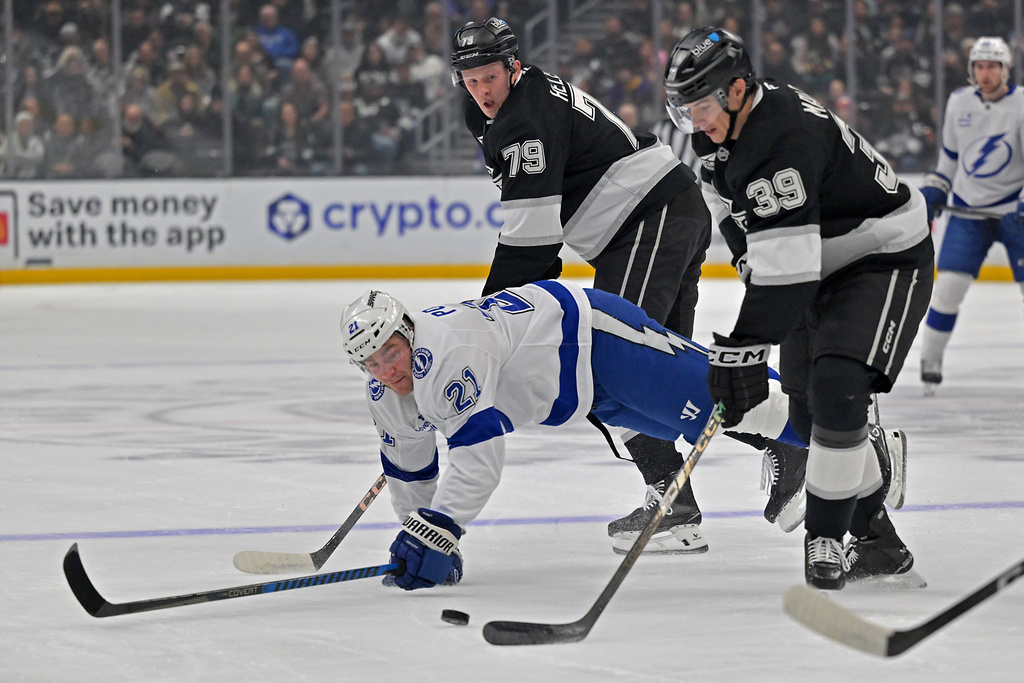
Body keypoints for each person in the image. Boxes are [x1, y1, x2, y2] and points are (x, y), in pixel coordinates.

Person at [663, 27, 933, 589]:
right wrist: (748, 273)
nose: (695, 122)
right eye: (684, 110)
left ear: (738, 90)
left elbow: (789, 277)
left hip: (881, 255)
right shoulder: (718, 137)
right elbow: (736, 221)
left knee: (837, 386)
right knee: (808, 415)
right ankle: (879, 542)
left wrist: (739, 352)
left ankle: (826, 540)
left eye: (702, 106)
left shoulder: (780, 140)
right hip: (813, 264)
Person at [449, 17, 721, 556]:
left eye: (490, 77)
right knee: (663, 370)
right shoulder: (494, 110)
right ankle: (686, 496)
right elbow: (535, 244)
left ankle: (788, 439)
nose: (481, 90)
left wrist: (487, 327)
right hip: (656, 217)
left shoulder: (525, 117)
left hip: (650, 219)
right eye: (470, 79)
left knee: (616, 366)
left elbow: (532, 246)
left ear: (514, 67)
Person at [340, 280, 810, 590]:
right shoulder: (384, 395)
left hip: (594, 336)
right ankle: (823, 447)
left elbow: (478, 457)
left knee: (731, 399)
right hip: (586, 396)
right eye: (372, 363)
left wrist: (438, 534)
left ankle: (853, 436)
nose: (387, 371)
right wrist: (420, 532)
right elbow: (409, 469)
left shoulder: (444, 352)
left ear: (408, 333)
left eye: (392, 352)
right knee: (693, 420)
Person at [918, 36, 1024, 395]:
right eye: (979, 66)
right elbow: (949, 157)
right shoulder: (959, 102)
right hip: (966, 212)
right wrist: (936, 187)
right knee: (947, 291)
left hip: (1014, 213)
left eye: (992, 66)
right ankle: (929, 363)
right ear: (971, 70)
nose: (985, 73)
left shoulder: (1022, 104)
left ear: (1005, 70)